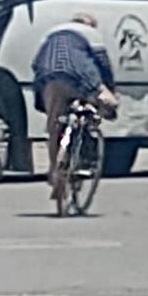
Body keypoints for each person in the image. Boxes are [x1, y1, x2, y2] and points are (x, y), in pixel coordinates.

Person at [32, 14, 119, 193]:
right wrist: (109, 88)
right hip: (80, 77)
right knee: (110, 104)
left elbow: (36, 63)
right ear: (90, 25)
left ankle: (55, 171)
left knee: (54, 126)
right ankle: (88, 132)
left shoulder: (51, 33)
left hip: (50, 78)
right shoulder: (90, 33)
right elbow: (103, 64)